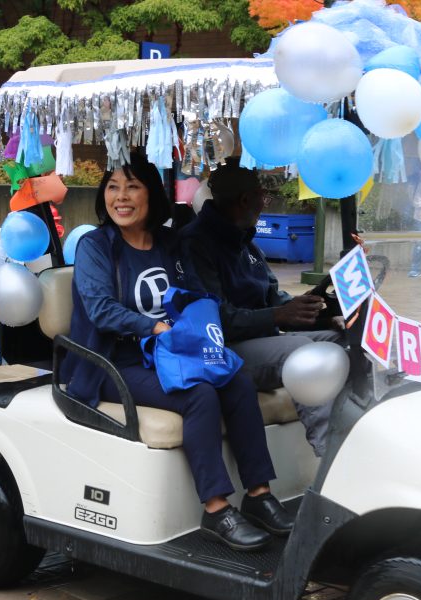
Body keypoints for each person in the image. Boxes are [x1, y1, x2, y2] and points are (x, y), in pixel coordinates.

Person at [60, 153, 292, 552]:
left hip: (175, 351)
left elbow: (194, 292)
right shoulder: (96, 247)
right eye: (113, 187)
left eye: (133, 186)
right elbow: (100, 310)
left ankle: (257, 494)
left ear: (152, 194)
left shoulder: (170, 243)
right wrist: (152, 325)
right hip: (115, 362)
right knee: (199, 394)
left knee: (236, 377)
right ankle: (217, 508)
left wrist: (197, 320)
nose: (121, 197)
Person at [180, 163, 342, 457]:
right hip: (219, 351)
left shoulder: (247, 245)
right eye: (262, 196)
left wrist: (318, 312)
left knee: (341, 343)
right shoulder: (196, 244)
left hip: (261, 341)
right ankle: (331, 456)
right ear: (246, 199)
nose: (263, 203)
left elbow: (273, 301)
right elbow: (215, 321)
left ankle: (356, 436)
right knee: (306, 354)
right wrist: (279, 315)